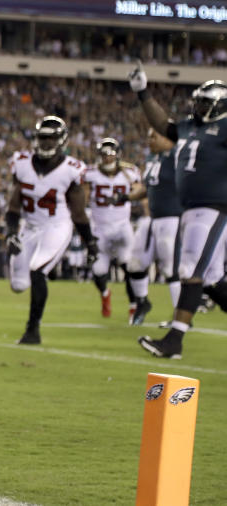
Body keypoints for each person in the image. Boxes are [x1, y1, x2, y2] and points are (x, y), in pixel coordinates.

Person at [130, 66, 227, 359]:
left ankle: (174, 340)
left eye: (204, 103)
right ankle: (174, 339)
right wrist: (142, 93)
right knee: (210, 280)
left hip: (214, 207)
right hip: (190, 209)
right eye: (197, 101)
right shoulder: (188, 127)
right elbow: (163, 125)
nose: (197, 107)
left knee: (188, 270)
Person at [6, 116, 97, 345]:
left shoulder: (71, 169)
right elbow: (14, 205)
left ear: (62, 140)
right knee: (18, 285)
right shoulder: (22, 162)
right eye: (42, 138)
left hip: (57, 226)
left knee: (37, 271)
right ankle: (51, 269)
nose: (46, 143)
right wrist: (10, 232)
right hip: (30, 227)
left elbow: (78, 212)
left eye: (51, 138)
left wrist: (90, 243)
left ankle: (32, 331)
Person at [124, 128, 183, 326]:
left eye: (154, 136)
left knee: (170, 268)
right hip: (152, 219)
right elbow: (146, 188)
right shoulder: (152, 158)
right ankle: (142, 302)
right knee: (135, 263)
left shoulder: (178, 156)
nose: (149, 140)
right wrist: (125, 197)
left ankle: (181, 316)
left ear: (167, 138)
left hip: (173, 218)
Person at [82, 137, 141, 318]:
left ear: (117, 155)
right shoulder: (89, 173)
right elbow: (83, 196)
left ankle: (134, 306)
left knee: (129, 266)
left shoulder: (130, 172)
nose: (107, 158)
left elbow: (139, 190)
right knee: (98, 271)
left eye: (110, 154)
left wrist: (129, 195)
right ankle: (105, 294)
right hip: (99, 227)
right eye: (104, 154)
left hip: (123, 225)